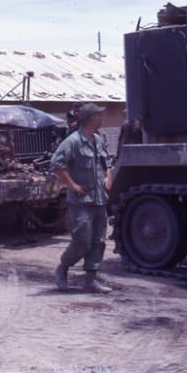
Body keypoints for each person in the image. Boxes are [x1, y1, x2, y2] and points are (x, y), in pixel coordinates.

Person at [51, 103, 113, 293]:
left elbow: (107, 162)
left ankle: (91, 279)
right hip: (81, 201)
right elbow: (57, 164)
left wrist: (108, 177)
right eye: (98, 116)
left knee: (99, 240)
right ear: (89, 119)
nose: (101, 119)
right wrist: (72, 185)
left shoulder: (98, 139)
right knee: (82, 240)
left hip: (99, 199)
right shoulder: (73, 141)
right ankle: (63, 268)